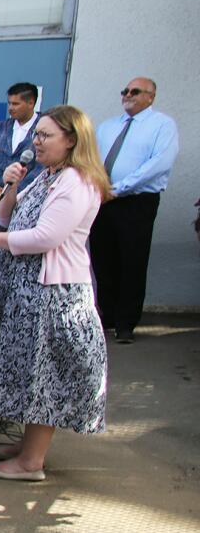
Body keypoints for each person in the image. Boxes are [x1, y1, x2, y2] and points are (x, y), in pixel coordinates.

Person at [0, 106, 110, 482]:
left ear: (71, 140)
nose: (36, 142)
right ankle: (27, 446)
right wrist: (9, 185)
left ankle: (30, 463)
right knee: (28, 372)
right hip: (27, 289)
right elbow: (7, 217)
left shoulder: (77, 181)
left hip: (52, 295)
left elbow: (45, 238)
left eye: (45, 136)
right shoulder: (48, 176)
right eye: (36, 135)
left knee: (43, 376)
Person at [90, 76, 180, 344]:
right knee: (102, 259)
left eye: (135, 91)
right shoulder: (108, 126)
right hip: (103, 200)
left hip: (136, 202)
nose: (128, 94)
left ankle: (126, 323)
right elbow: (92, 158)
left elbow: (158, 164)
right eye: (125, 91)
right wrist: (97, 188)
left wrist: (119, 188)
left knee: (132, 260)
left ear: (150, 96)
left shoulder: (162, 125)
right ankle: (106, 316)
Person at [0, 83, 41, 241]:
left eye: (16, 104)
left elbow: (41, 168)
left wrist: (13, 191)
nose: (11, 108)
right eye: (9, 103)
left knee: (17, 246)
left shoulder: (43, 129)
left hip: (25, 203)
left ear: (31, 103)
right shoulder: (0, 127)